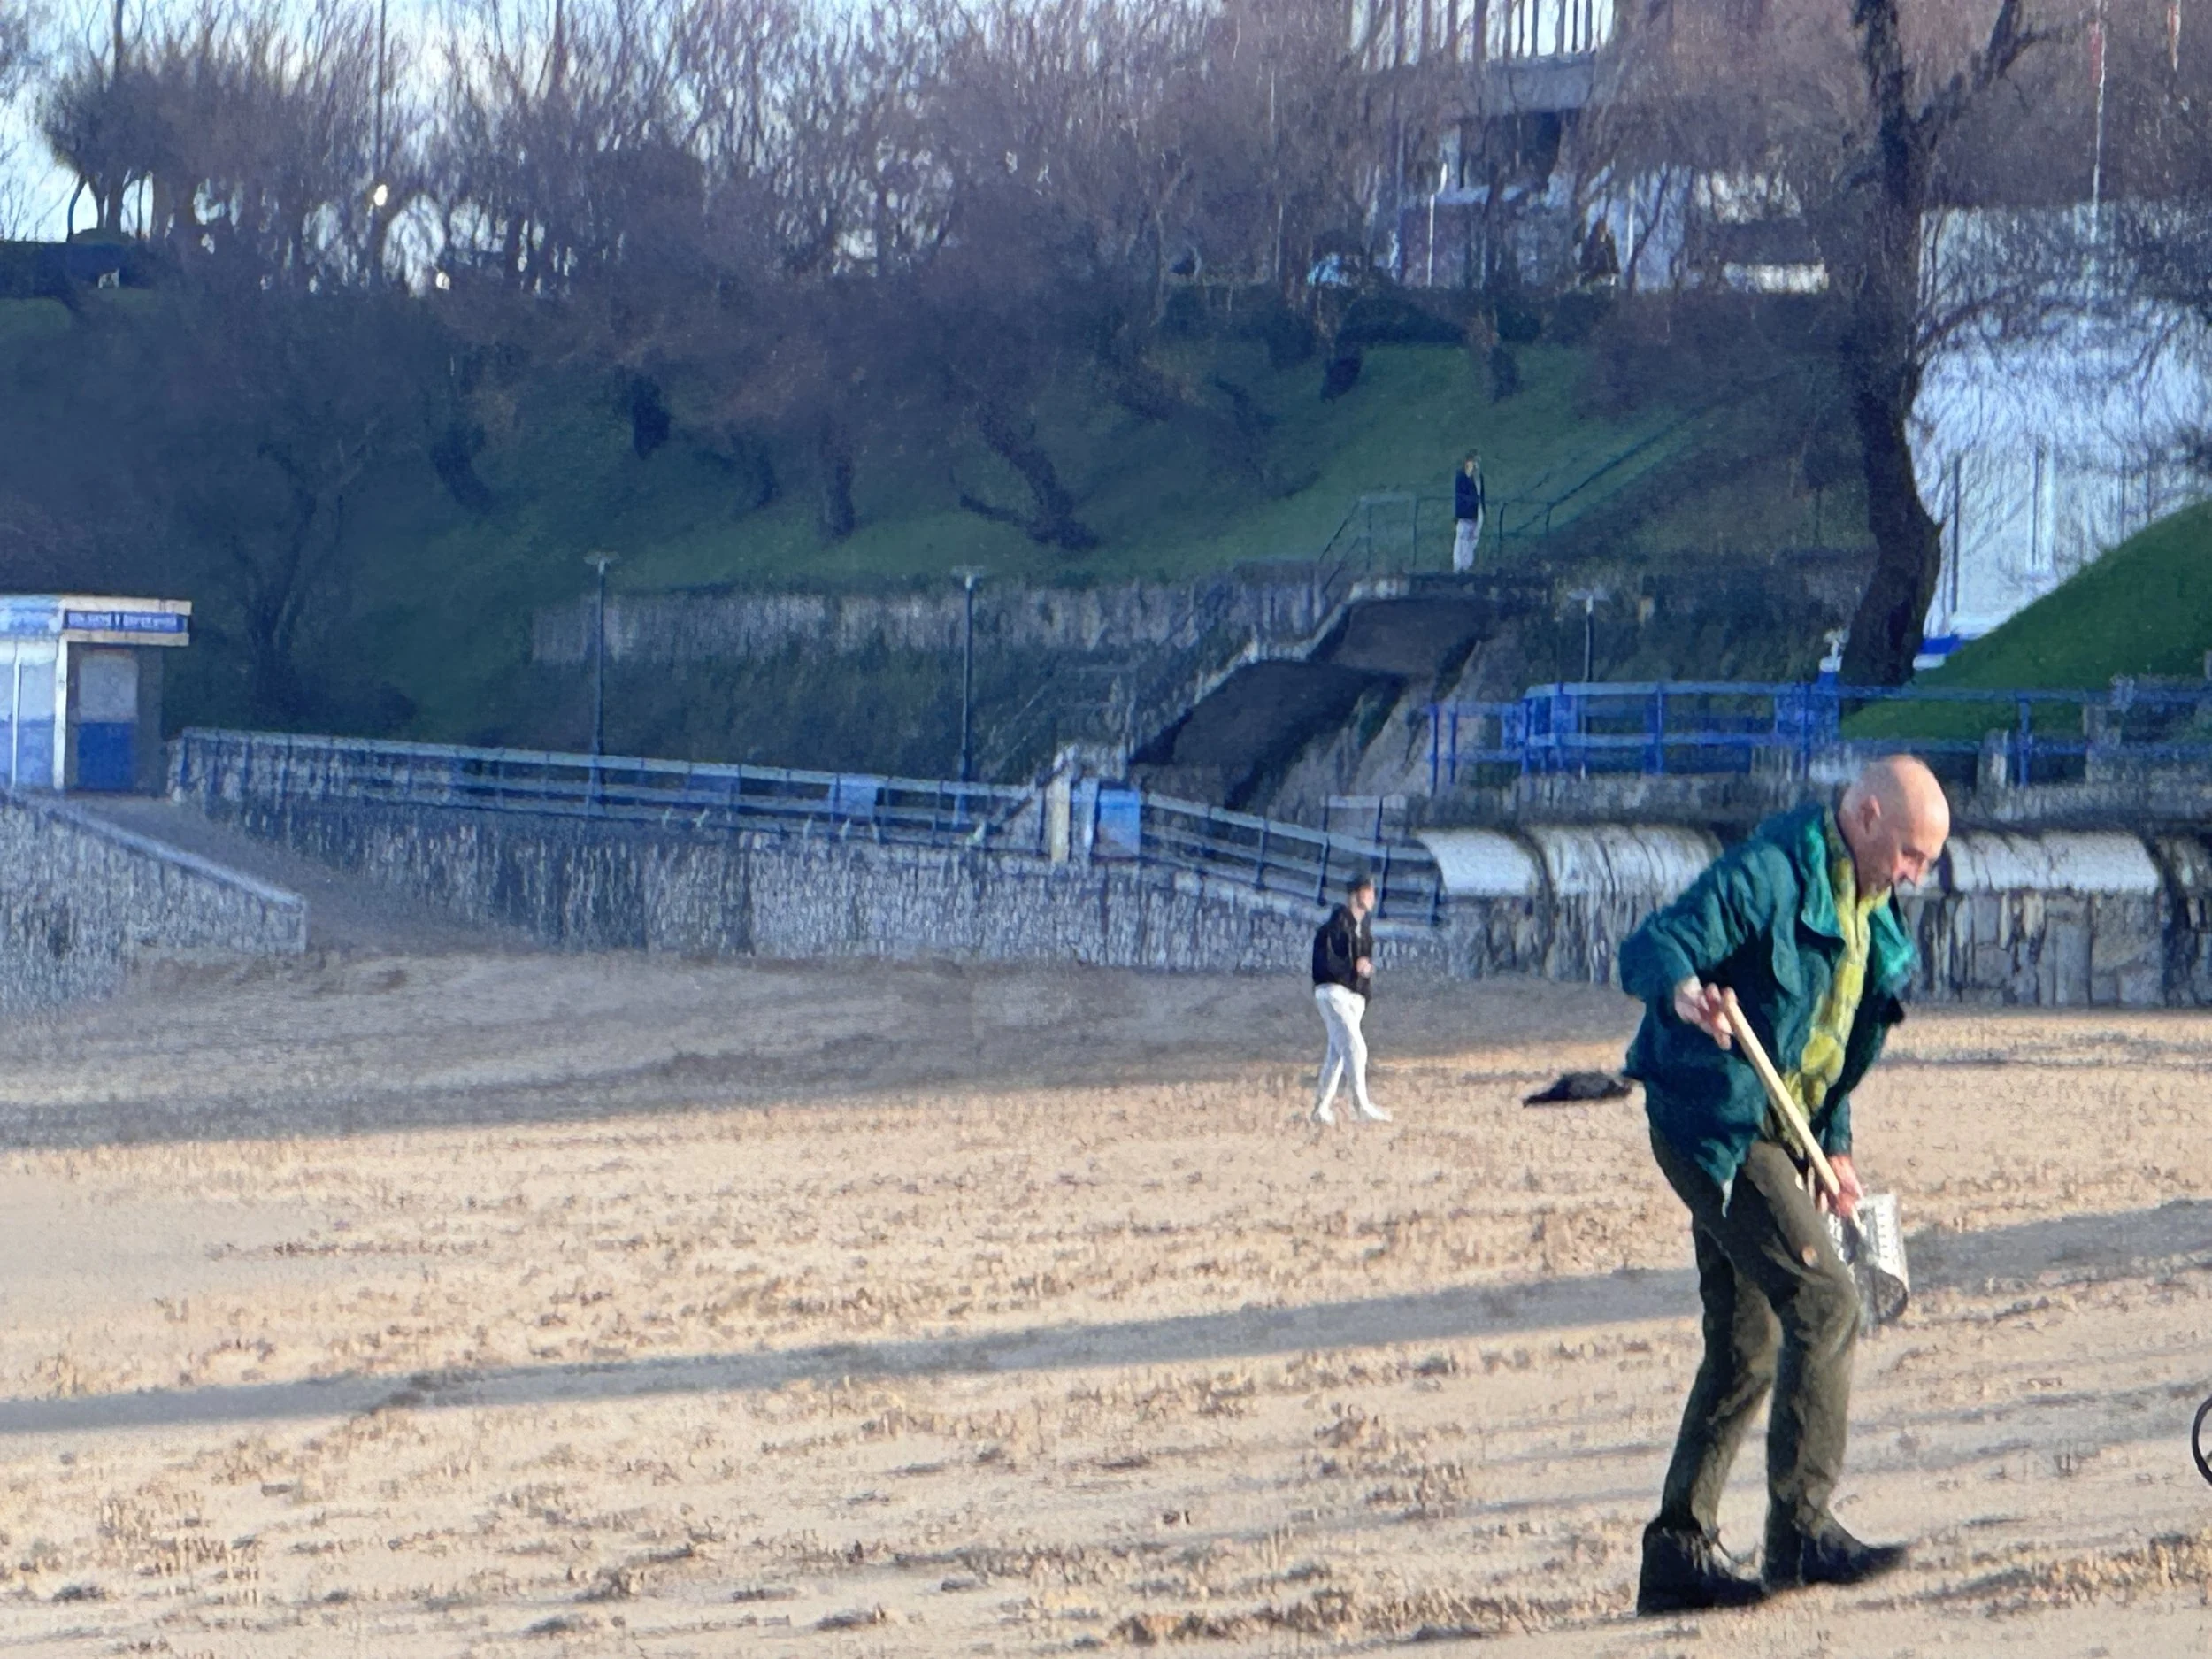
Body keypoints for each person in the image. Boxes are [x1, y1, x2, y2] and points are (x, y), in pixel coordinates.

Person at [1619, 755, 1950, 1615]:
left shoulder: (1871, 920)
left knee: (1745, 1343)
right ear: (1867, 816)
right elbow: (1652, 943)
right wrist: (1686, 992)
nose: (1914, 874)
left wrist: (1835, 1147)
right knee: (1826, 1302)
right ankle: (1799, 1533)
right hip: (1712, 1124)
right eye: (1911, 854)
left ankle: (1675, 1555)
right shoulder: (1770, 872)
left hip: (1778, 1129)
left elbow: (1827, 1052)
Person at [1310, 874, 1391, 1125]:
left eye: (1372, 892)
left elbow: (1363, 966)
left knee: (1338, 1053)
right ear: (1355, 895)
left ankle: (1320, 1109)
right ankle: (1361, 1106)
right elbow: (1325, 966)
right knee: (1356, 1047)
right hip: (1333, 993)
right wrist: (1353, 968)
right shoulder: (1333, 928)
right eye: (1367, 892)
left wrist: (1364, 982)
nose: (1372, 898)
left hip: (1353, 998)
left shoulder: (1365, 932)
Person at [1452, 451, 1485, 573]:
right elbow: (1461, 495)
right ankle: (1458, 566)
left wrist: (1482, 510)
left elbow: (1481, 495)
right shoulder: (1461, 477)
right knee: (1461, 540)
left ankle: (1467, 565)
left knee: (1472, 540)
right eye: (1474, 462)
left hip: (1475, 515)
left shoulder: (1478, 478)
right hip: (1464, 515)